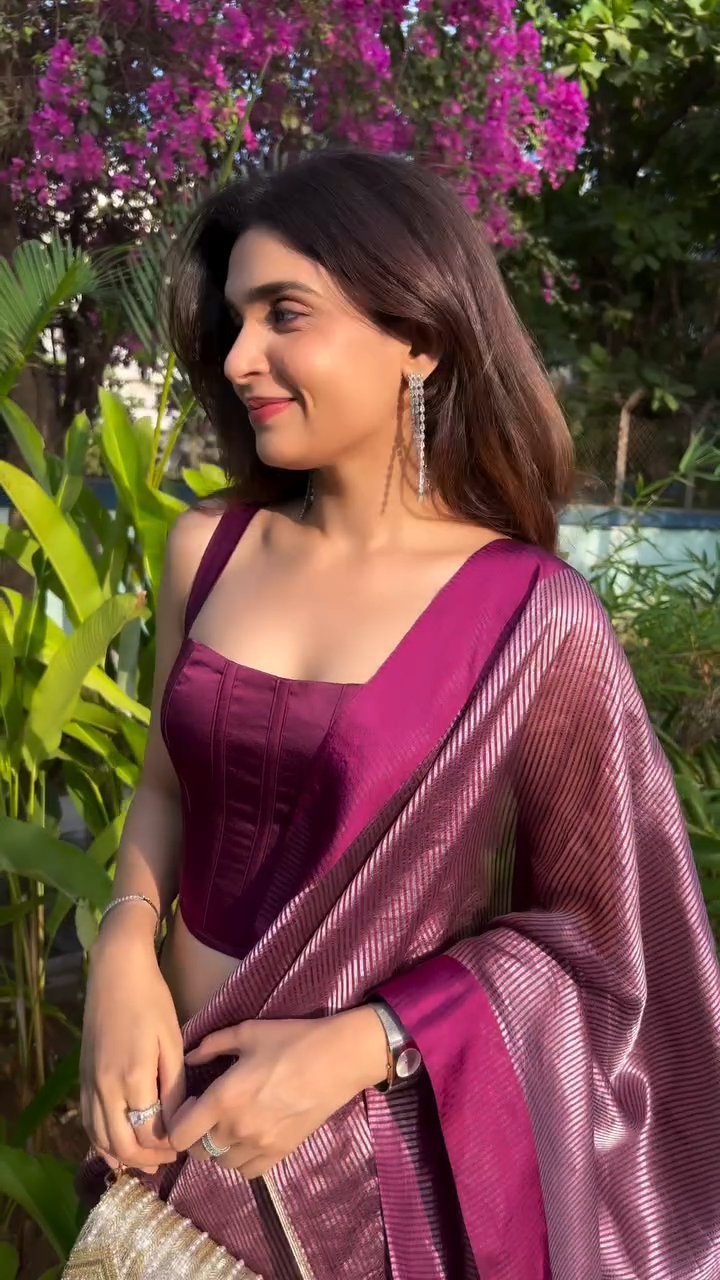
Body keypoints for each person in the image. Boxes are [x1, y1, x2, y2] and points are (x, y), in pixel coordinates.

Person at [78, 150, 720, 1280]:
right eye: (233, 319)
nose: (237, 359)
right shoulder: (208, 548)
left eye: (286, 314)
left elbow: (615, 951)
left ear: (419, 337)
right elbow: (166, 786)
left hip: (353, 1185)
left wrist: (368, 1043)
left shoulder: (533, 619)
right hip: (160, 1145)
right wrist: (125, 940)